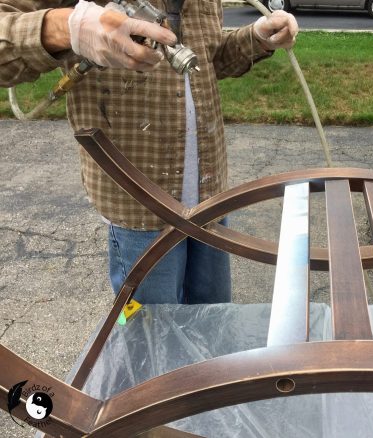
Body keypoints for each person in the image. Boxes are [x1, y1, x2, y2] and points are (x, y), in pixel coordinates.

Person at [0, 0, 298, 304]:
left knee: (212, 327)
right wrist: (69, 27)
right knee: (151, 337)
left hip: (209, 197)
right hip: (138, 204)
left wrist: (256, 38)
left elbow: (206, 61)